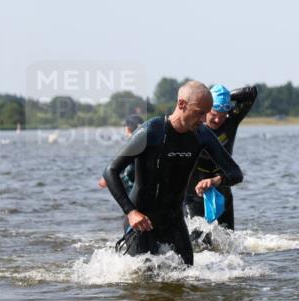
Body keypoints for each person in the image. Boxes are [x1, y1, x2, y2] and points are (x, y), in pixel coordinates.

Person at [103, 81, 244, 266]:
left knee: (187, 281)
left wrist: (216, 180)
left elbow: (235, 173)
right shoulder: (151, 132)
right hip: (142, 221)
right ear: (182, 104)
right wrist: (131, 212)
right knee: (141, 283)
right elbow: (110, 171)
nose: (203, 120)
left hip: (174, 222)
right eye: (200, 112)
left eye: (206, 113)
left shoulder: (202, 135)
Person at [183, 84, 258, 232]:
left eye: (222, 116)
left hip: (222, 187)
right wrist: (207, 98)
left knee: (227, 244)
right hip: (195, 192)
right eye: (214, 114)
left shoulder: (231, 120)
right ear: (206, 109)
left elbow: (252, 93)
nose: (218, 120)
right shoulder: (193, 125)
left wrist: (227, 97)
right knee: (199, 245)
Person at [98, 114, 144, 194]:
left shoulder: (130, 145)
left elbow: (103, 182)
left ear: (128, 129)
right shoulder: (148, 143)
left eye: (125, 127)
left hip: (133, 198)